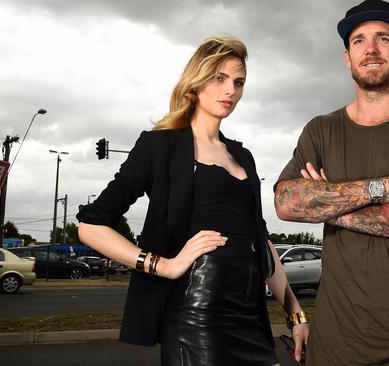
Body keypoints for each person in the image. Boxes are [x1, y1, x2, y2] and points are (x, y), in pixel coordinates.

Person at [77, 36, 308, 366]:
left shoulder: (243, 156)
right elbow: (91, 227)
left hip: (252, 318)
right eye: (219, 78)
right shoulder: (160, 146)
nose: (230, 90)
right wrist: (163, 265)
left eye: (238, 82)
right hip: (196, 317)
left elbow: (261, 239)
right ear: (196, 81)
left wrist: (295, 314)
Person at [274, 1, 389, 365]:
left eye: (383, 38)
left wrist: (328, 208)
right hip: (335, 344)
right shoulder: (322, 129)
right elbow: (286, 201)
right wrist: (382, 187)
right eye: (359, 41)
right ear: (347, 57)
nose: (371, 49)